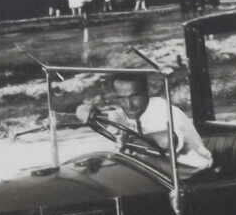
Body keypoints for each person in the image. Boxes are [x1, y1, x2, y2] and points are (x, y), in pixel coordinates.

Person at [76, 71, 212, 172]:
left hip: (195, 176)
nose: (129, 105)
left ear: (146, 93)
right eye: (122, 98)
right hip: (159, 177)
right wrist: (85, 110)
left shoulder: (163, 109)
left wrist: (136, 140)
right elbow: (107, 117)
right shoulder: (124, 113)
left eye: (134, 96)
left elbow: (169, 139)